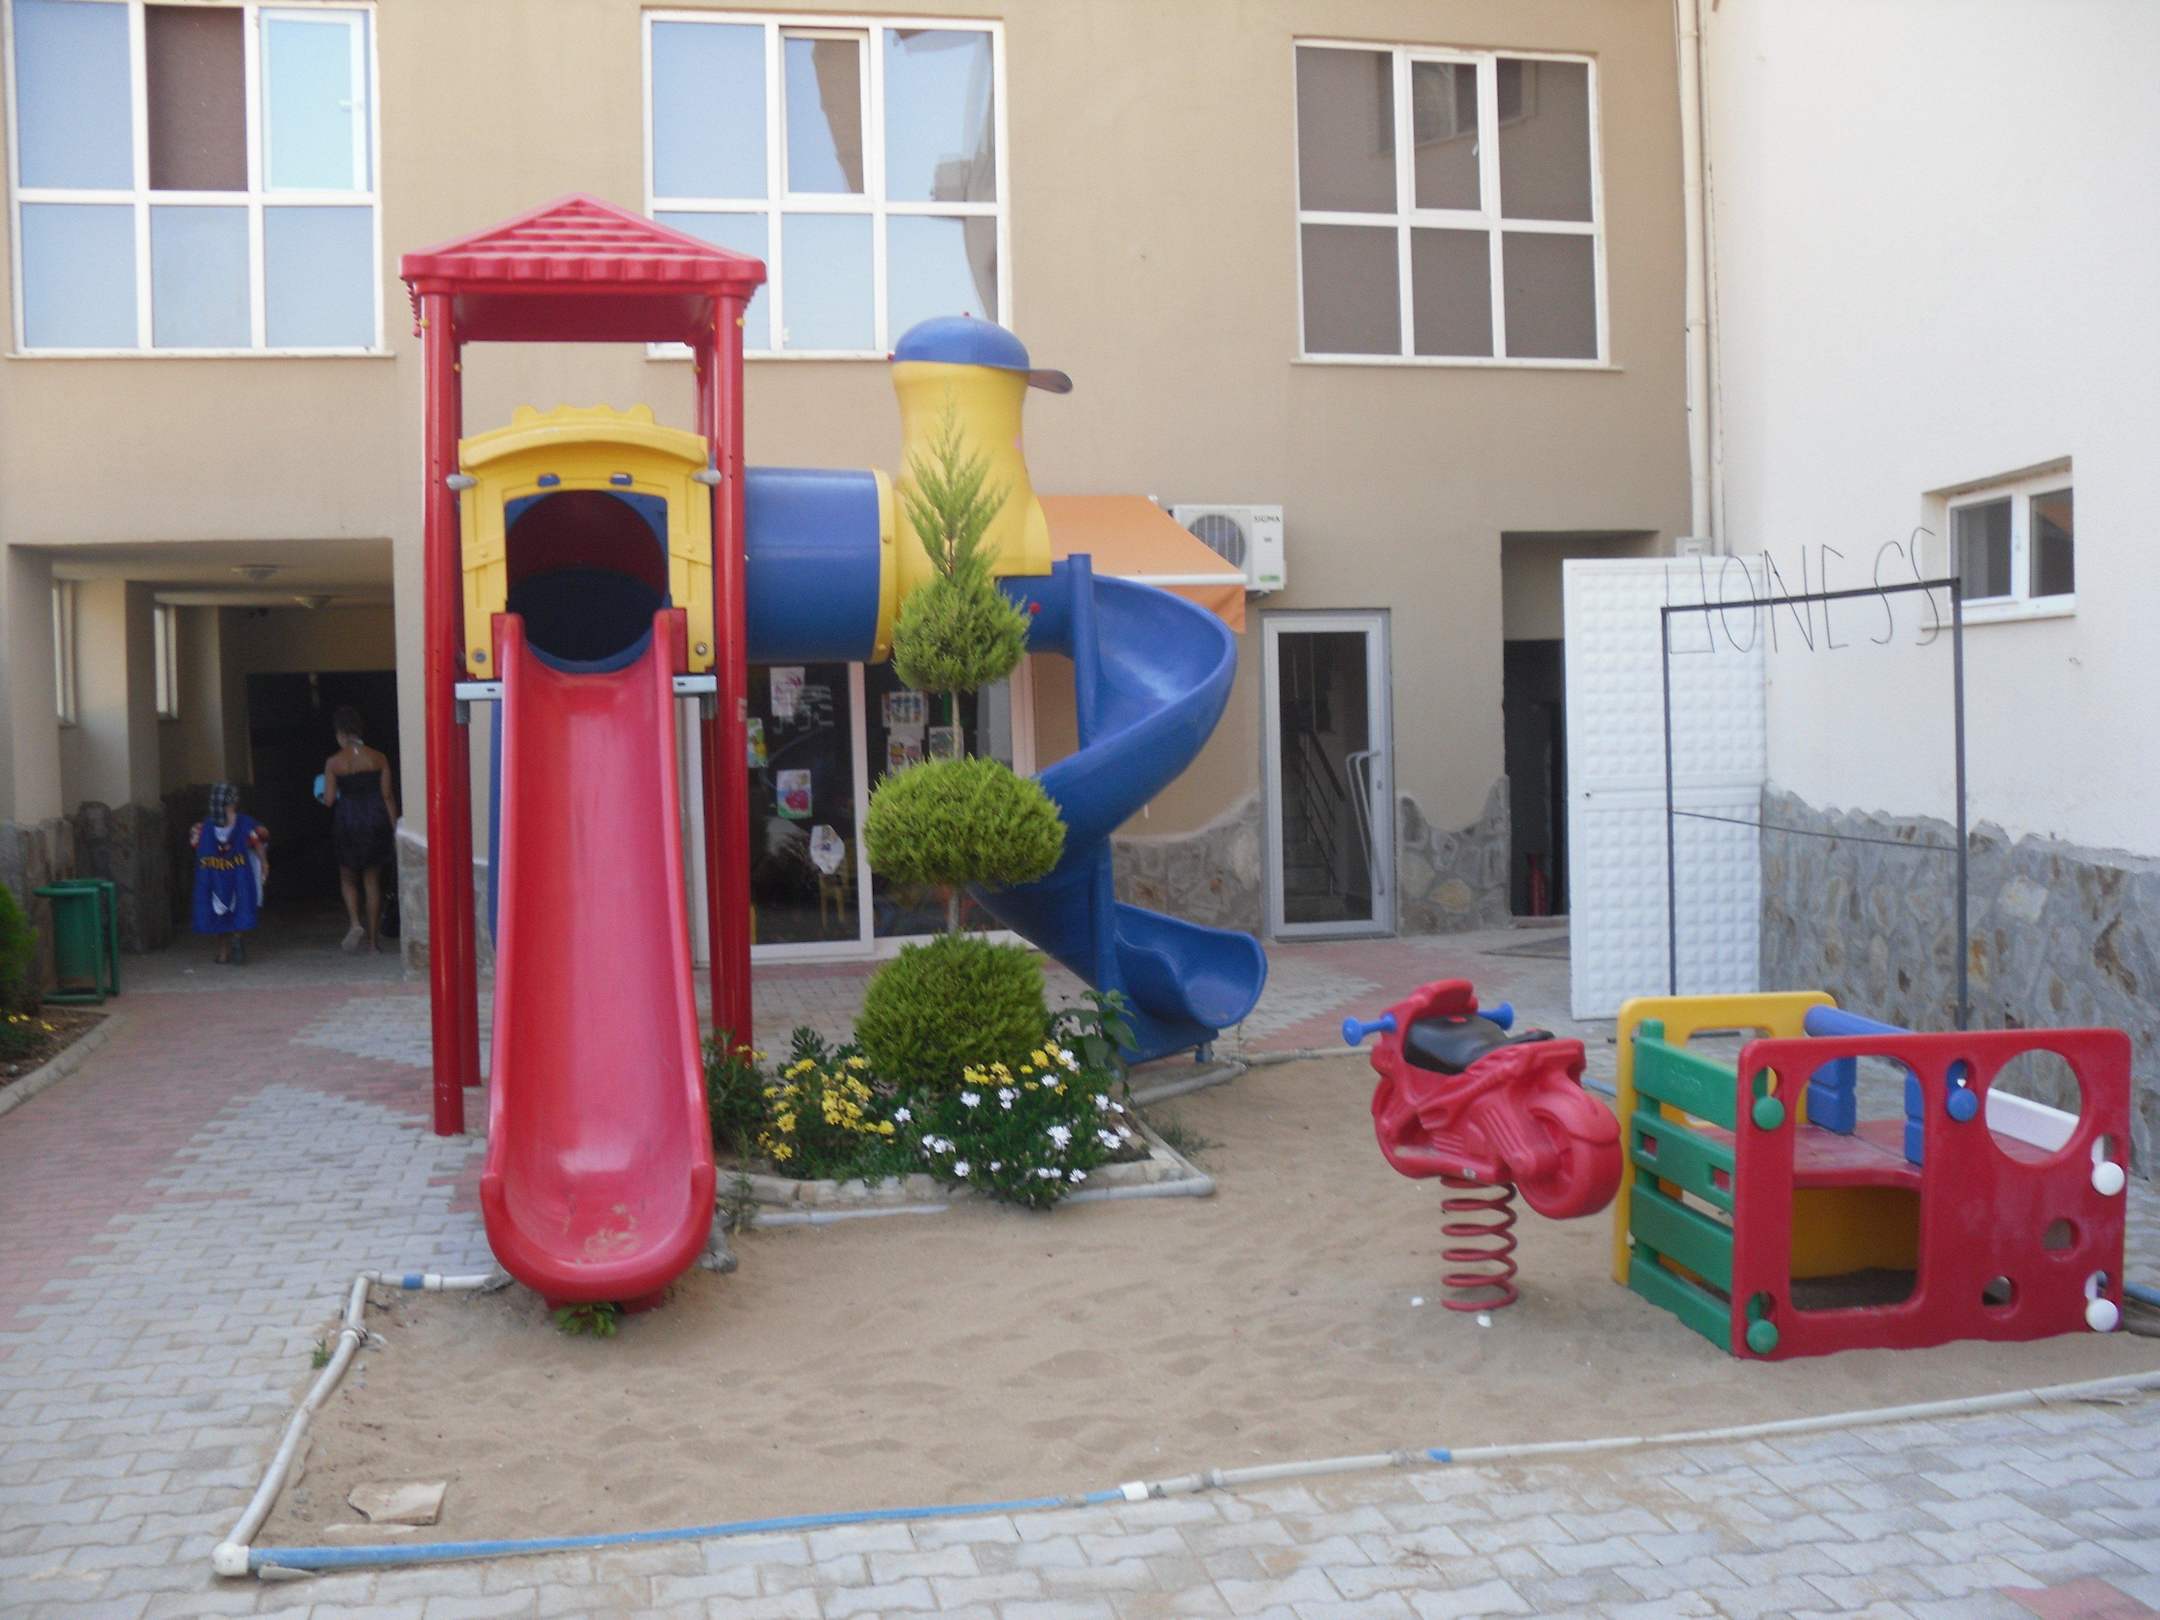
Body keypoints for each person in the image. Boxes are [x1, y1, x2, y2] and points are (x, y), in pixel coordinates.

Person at [319, 706, 399, 954]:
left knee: (347, 877)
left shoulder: (334, 762)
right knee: (372, 880)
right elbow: (387, 795)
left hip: (347, 819)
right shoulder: (379, 758)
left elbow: (329, 800)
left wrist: (321, 793)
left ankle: (355, 922)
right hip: (375, 819)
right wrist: (395, 829)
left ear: (340, 733)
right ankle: (374, 943)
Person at [191, 783, 269, 965]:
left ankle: (223, 952)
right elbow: (258, 842)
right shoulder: (246, 824)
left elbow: (196, 847)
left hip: (213, 877)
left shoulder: (201, 828)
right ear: (234, 801)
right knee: (239, 907)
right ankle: (237, 939)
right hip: (239, 876)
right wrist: (264, 863)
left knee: (218, 911)